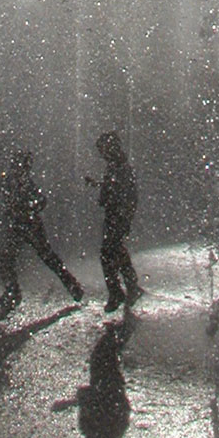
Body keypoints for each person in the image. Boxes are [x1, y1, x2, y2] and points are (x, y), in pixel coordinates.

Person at [0, 150, 84, 312]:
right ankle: (72, 286)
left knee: (36, 257)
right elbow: (38, 201)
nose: (15, 165)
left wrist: (26, 208)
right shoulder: (15, 181)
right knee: (36, 257)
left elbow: (41, 201)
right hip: (25, 225)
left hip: (27, 225)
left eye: (18, 162)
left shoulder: (21, 182)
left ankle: (14, 291)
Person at [87, 130, 142, 313]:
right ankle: (131, 285)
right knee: (117, 251)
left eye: (102, 149)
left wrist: (124, 215)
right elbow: (118, 189)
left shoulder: (119, 167)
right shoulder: (118, 166)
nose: (101, 154)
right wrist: (99, 185)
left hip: (117, 216)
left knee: (107, 254)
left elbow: (122, 192)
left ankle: (116, 292)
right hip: (117, 215)